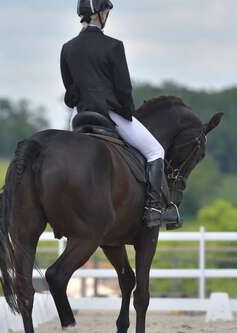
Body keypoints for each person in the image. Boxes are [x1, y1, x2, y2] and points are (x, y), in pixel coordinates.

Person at [60, 0, 170, 228]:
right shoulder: (113, 46)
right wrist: (128, 112)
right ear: (100, 14)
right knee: (155, 151)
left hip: (80, 117)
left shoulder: (67, 48)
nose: (107, 15)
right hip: (110, 114)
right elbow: (123, 89)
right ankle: (152, 209)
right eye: (106, 11)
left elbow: (70, 92)